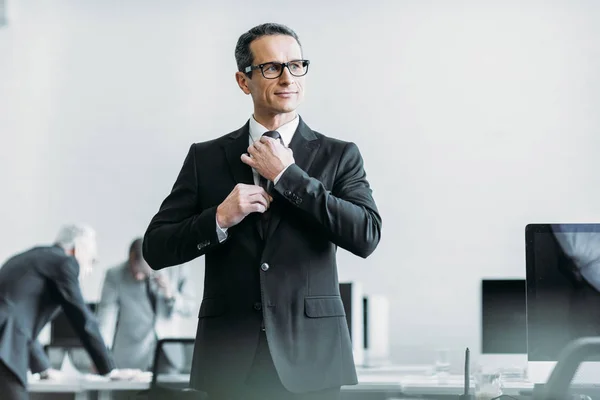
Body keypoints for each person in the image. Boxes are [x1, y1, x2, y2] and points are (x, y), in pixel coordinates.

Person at [143, 22, 382, 400]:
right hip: (229, 359)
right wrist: (218, 219)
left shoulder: (339, 155)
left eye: (296, 65)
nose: (288, 78)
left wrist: (288, 176)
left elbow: (366, 235)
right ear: (244, 81)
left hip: (311, 359)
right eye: (272, 67)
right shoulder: (205, 157)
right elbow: (155, 249)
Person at [0, 224, 141, 400]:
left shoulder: (36, 258)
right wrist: (109, 369)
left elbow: (21, 323)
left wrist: (43, 368)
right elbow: (82, 318)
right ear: (77, 248)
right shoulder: (65, 262)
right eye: (92, 260)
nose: (89, 268)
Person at [96, 238, 195, 373]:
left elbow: (190, 308)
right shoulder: (114, 275)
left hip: (167, 354)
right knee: (129, 394)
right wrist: (100, 353)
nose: (137, 276)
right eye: (133, 268)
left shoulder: (177, 269)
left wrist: (170, 294)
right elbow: (106, 316)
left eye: (143, 272)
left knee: (168, 394)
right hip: (130, 355)